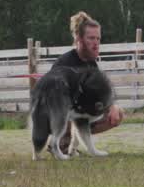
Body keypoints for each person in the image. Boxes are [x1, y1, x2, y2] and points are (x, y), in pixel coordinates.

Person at [53, 11, 124, 149]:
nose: (96, 43)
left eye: (98, 39)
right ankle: (59, 142)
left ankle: (71, 143)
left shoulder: (91, 63)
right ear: (79, 39)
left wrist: (111, 106)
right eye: (91, 38)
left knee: (117, 114)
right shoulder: (65, 63)